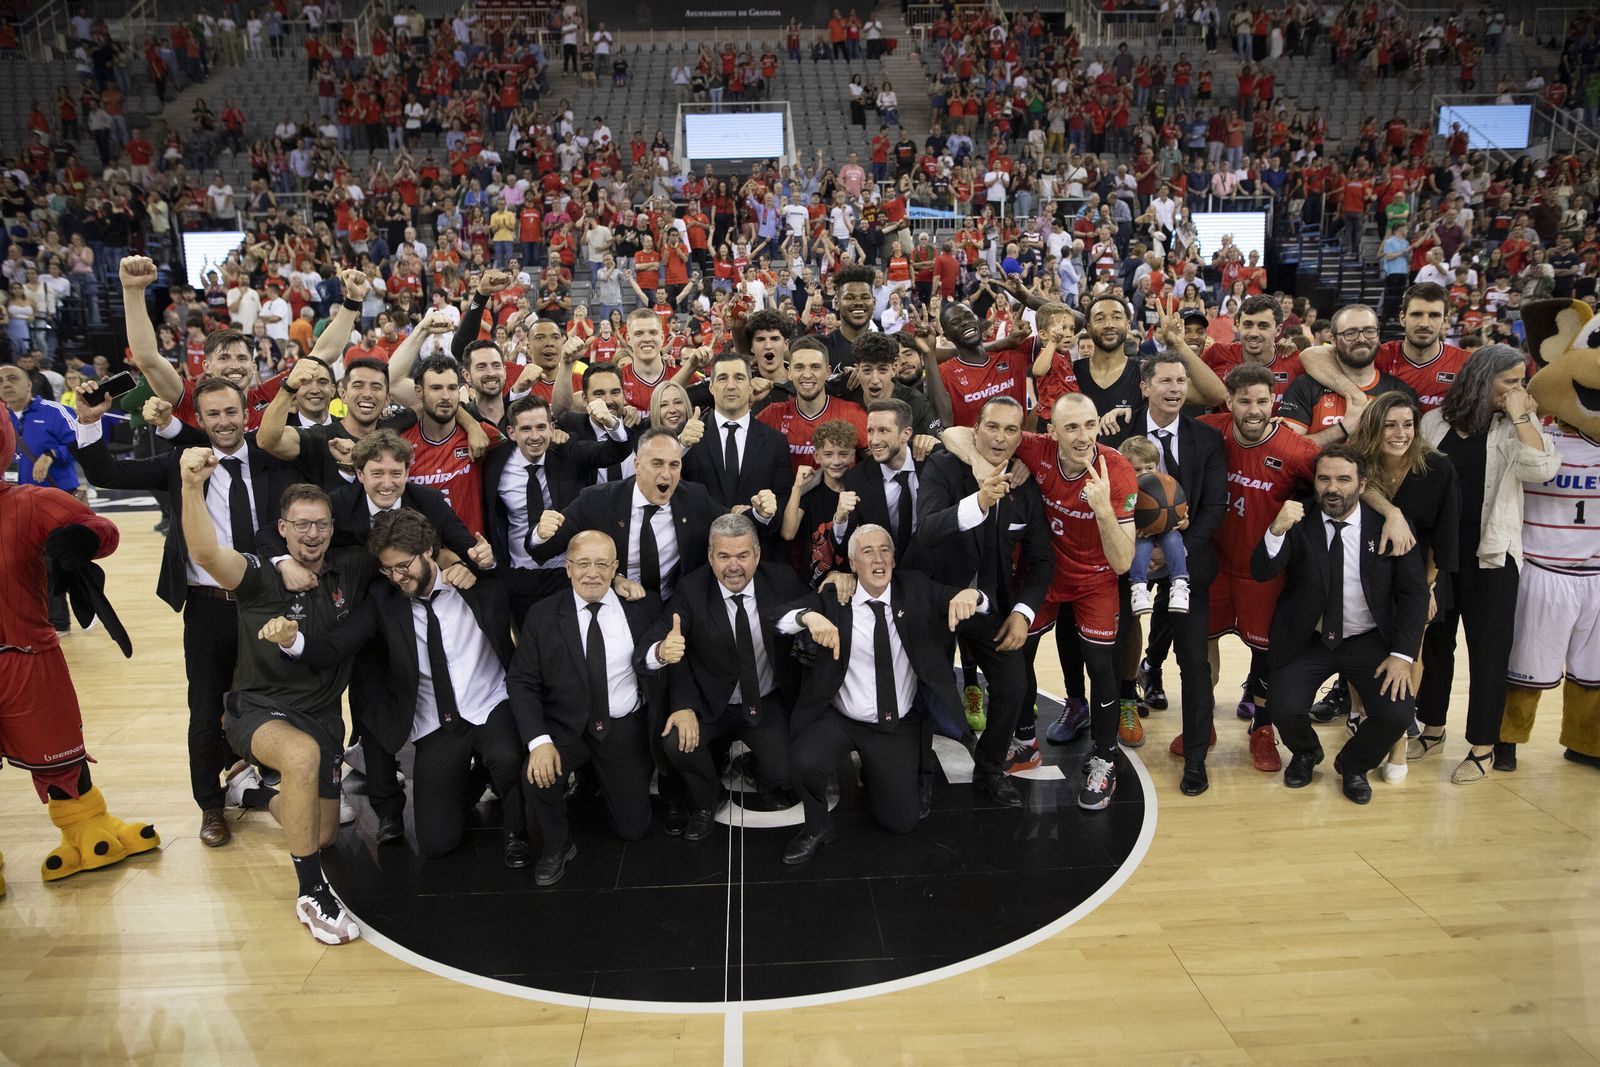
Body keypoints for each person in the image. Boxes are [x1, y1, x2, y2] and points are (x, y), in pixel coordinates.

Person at [73, 376, 298, 848]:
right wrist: (90, 424)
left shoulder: (272, 460)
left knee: (276, 699)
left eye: (231, 412)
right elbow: (109, 475)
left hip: (264, 604)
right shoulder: (180, 463)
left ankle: (270, 781)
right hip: (208, 606)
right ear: (200, 419)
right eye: (212, 414)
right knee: (204, 709)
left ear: (246, 414)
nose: (223, 422)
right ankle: (211, 806)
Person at [182, 461, 374, 944]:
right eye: (302, 525)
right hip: (259, 709)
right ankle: (312, 894)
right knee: (300, 756)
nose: (312, 534)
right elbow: (205, 551)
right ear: (282, 530)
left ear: (333, 527)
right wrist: (189, 486)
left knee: (323, 833)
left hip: (324, 717)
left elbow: (405, 547)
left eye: (322, 524)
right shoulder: (257, 576)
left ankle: (252, 793)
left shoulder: (348, 568)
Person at [273, 509, 531, 866]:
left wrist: (486, 566)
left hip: (491, 703)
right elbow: (339, 643)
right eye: (387, 569)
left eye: (402, 566)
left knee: (505, 756)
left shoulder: (472, 580)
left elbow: (532, 586)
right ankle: (470, 781)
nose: (396, 577)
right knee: (436, 842)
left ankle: (517, 831)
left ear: (427, 551)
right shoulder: (384, 599)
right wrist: (293, 642)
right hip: (438, 720)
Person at [944, 392, 1138, 810]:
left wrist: (1103, 509)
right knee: (1017, 653)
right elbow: (955, 433)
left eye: (1089, 425)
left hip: (1095, 581)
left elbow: (1123, 563)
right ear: (1052, 432)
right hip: (1042, 575)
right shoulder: (1036, 448)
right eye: (1071, 427)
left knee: (1101, 668)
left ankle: (1104, 758)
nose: (1083, 436)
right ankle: (1026, 739)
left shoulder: (1117, 471)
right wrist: (981, 464)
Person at [0, 408, 156, 894]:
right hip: (27, 653)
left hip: (27, 653)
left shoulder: (27, 503)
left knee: (58, 752)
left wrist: (80, 540)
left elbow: (100, 528)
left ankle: (85, 824)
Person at [775, 524, 988, 863]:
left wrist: (973, 596)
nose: (878, 559)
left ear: (893, 557)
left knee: (901, 822)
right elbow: (777, 618)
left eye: (884, 550)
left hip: (894, 724)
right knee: (804, 761)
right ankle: (817, 826)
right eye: (867, 552)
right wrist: (807, 617)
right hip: (842, 719)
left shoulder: (914, 587)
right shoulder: (835, 596)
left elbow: (973, 601)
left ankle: (879, 778)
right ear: (852, 564)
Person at [1251, 446, 1429, 805]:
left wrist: (1402, 655)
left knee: (1397, 713)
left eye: (1343, 479)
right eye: (1325, 479)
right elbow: (1261, 570)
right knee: (1283, 707)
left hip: (1368, 640)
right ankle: (1306, 753)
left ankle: (1354, 764)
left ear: (1362, 485)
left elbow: (1414, 594)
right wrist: (1276, 529)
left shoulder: (1388, 526)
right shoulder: (1298, 519)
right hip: (1309, 638)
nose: (1333, 488)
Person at [1414, 345, 1558, 782]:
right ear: (1481, 377)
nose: (1518, 389)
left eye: (1522, 381)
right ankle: (1433, 726)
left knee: (1489, 650)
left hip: (1492, 552)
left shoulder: (1517, 424)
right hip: (1441, 550)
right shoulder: (1436, 421)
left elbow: (1543, 469)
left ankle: (1482, 745)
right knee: (1437, 642)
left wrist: (1520, 414)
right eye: (1510, 381)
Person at [912, 396, 1053, 804]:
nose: (1001, 437)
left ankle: (990, 767)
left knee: (1013, 685)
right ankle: (920, 773)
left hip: (990, 605)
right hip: (935, 599)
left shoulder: (1025, 486)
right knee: (925, 687)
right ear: (976, 430)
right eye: (993, 427)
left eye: (1012, 430)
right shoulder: (944, 465)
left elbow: (1042, 560)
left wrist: (1024, 614)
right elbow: (928, 530)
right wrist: (980, 502)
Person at [506, 529, 664, 886]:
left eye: (602, 564)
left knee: (633, 829)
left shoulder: (643, 606)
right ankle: (558, 846)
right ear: (567, 567)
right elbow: (521, 682)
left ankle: (596, 780)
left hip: (621, 724)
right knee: (538, 776)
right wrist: (538, 741)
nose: (592, 573)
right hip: (566, 725)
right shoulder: (542, 615)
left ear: (616, 569)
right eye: (583, 564)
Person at [639, 512, 810, 838]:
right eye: (724, 556)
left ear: (757, 555)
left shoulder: (783, 580)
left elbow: (815, 607)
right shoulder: (691, 589)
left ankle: (754, 767)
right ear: (710, 556)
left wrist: (834, 588)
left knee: (789, 773)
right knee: (675, 741)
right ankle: (707, 798)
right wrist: (662, 654)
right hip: (708, 701)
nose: (734, 566)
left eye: (743, 555)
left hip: (765, 699)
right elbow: (647, 649)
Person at [1193, 364, 1321, 771]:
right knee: (1202, 646)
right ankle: (1201, 722)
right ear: (1228, 400)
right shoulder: (1208, 429)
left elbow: (1338, 486)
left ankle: (1262, 730)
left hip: (1263, 572)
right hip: (1213, 564)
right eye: (1244, 400)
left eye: (1262, 401)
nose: (1253, 409)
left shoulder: (1298, 451)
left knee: (1266, 654)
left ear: (1274, 402)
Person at [1344, 392, 1461, 781]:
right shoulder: (1358, 463)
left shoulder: (1438, 468)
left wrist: (1427, 588)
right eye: (1391, 424)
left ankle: (1396, 741)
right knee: (1361, 647)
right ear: (1376, 426)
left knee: (1409, 652)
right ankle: (1363, 715)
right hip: (1363, 570)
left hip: (1420, 575)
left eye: (1408, 424)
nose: (1400, 433)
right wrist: (1391, 512)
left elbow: (1444, 537)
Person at [529, 429, 733, 600]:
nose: (666, 474)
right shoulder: (597, 501)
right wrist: (541, 534)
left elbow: (733, 527)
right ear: (637, 465)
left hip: (674, 604)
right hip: (617, 605)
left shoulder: (694, 498)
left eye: (674, 465)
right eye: (657, 463)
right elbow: (542, 550)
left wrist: (760, 514)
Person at [483, 394, 633, 623]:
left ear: (552, 427)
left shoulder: (566, 451)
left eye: (541, 427)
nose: (535, 436)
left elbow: (615, 452)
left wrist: (611, 422)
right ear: (512, 432)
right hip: (520, 574)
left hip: (568, 572)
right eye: (526, 429)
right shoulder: (494, 462)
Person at [678, 352, 791, 542]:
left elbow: (780, 503)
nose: (731, 385)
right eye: (722, 378)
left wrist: (759, 515)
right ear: (711, 387)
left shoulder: (775, 442)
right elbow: (672, 489)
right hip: (701, 549)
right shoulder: (688, 435)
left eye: (739, 378)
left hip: (758, 550)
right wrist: (681, 446)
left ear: (750, 386)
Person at [1119, 435, 1189, 616]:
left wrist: (1181, 521)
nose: (1144, 473)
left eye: (1149, 467)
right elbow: (1121, 522)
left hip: (1166, 546)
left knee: (1173, 536)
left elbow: (1184, 522)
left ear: (1157, 466)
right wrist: (1135, 529)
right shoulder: (1125, 492)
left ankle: (1180, 583)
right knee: (1141, 543)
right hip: (1140, 545)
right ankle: (1139, 587)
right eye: (1137, 469)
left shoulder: (1167, 486)